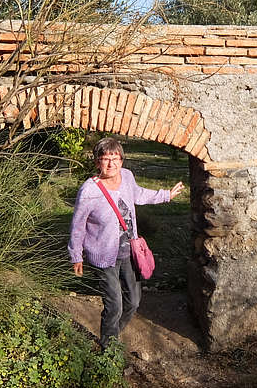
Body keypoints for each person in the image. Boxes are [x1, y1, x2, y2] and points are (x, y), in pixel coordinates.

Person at [68, 137, 184, 348]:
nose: (111, 164)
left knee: (134, 302)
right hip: (103, 256)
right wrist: (76, 255)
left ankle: (113, 334)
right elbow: (78, 225)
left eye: (115, 158)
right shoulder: (89, 191)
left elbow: (139, 194)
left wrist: (166, 195)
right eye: (105, 159)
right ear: (97, 163)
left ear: (122, 160)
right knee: (114, 306)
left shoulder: (127, 177)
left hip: (129, 253)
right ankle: (108, 349)